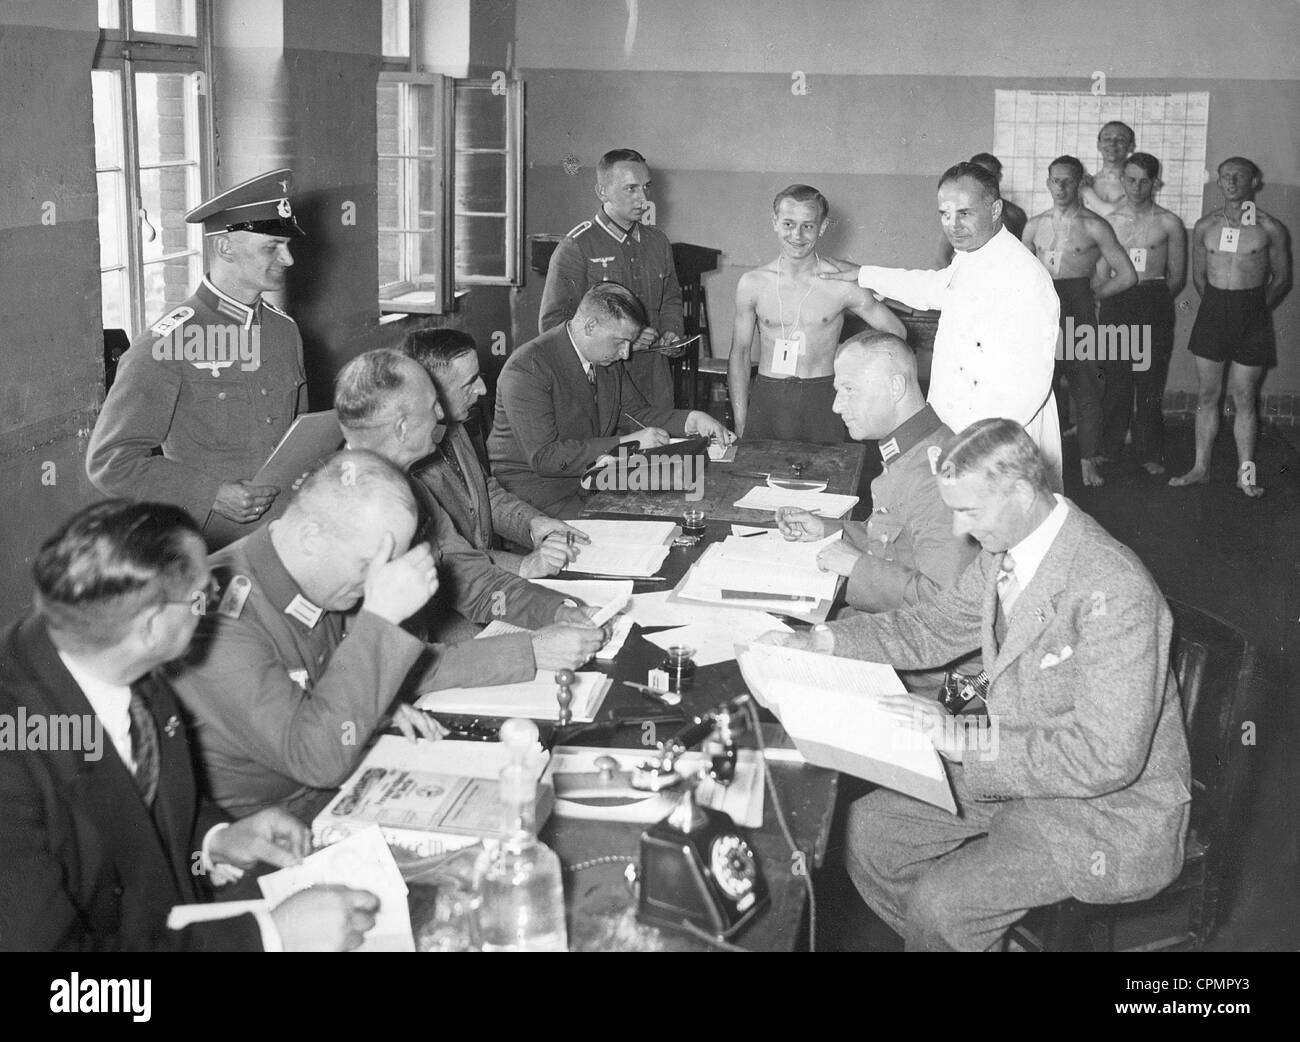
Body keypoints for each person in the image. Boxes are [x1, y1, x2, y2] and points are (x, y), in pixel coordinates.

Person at [759, 419, 1190, 951]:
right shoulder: (1006, 552)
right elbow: (935, 626)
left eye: (970, 511)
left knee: (942, 907)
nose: (959, 530)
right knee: (870, 836)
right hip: (1020, 768)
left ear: (1022, 493)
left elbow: (1108, 758)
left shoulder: (1114, 589)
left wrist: (964, 740)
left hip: (1103, 810)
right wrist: (823, 641)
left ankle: (946, 934)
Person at [0, 500, 379, 951]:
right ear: (152, 626)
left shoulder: (122, 660)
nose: (215, 598)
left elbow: (131, 811)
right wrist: (268, 938)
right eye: (203, 594)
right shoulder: (13, 758)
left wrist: (214, 840)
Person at [169, 450, 538, 819]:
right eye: (368, 564)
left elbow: (360, 673)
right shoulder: (216, 617)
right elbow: (315, 760)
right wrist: (381, 618)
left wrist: (375, 707)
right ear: (311, 537)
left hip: (345, 782)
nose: (376, 581)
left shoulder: (324, 574)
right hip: (269, 821)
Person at [87, 169, 308, 549]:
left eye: (287, 245)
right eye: (272, 247)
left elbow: (298, 437)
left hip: (288, 530)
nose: (287, 259)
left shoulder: (283, 331)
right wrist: (212, 493)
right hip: (211, 543)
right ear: (225, 248)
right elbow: (110, 460)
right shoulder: (167, 343)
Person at [335, 349, 606, 654]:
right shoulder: (342, 509)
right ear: (402, 428)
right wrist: (528, 651)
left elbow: (474, 579)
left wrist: (557, 611)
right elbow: (384, 660)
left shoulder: (409, 487)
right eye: (433, 406)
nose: (441, 414)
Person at [821, 162, 1064, 491]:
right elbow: (935, 288)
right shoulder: (973, 253)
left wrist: (982, 447)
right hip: (958, 428)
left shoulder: (1025, 276)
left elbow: (1030, 385)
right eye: (945, 214)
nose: (953, 225)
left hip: (999, 440)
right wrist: (863, 274)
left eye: (964, 213)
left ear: (995, 210)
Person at [773, 331, 978, 691]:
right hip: (899, 632)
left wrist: (856, 567)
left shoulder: (934, 476)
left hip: (929, 671)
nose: (836, 406)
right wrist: (830, 530)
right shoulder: (912, 451)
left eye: (849, 390)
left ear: (895, 387)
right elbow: (898, 542)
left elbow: (947, 609)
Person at [491, 283, 734, 519]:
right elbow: (545, 458)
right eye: (620, 342)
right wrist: (628, 442)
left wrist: (691, 420)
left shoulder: (603, 358)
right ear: (590, 326)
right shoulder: (528, 367)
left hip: (592, 479)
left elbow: (635, 413)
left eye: (630, 342)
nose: (626, 353)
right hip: (537, 497)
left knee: (685, 507)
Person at [403, 328, 590, 576]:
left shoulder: (454, 428)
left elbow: (483, 494)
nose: (482, 389)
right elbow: (446, 556)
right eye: (469, 382)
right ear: (431, 392)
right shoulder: (407, 465)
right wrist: (523, 565)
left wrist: (532, 523)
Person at [728, 185, 907, 443]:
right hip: (768, 397)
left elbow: (896, 331)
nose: (797, 235)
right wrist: (740, 419)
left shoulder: (840, 283)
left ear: (822, 227)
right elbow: (740, 353)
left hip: (822, 398)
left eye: (808, 226)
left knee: (828, 469)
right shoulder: (752, 283)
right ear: (775, 222)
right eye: (788, 224)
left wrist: (853, 364)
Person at [1169, 157, 1292, 497]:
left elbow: (1282, 278)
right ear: (1219, 182)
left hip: (1252, 314)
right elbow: (1199, 277)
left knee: (1245, 397)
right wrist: (1219, 307)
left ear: (1255, 182)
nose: (1232, 181)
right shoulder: (1205, 226)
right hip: (1213, 313)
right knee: (1207, 395)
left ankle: (1245, 475)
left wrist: (1253, 309)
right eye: (1226, 176)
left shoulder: (1270, 228)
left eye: (1240, 176)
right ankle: (1200, 468)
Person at [539, 148, 685, 409]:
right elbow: (554, 324)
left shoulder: (658, 243)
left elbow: (670, 299)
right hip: (602, 384)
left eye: (646, 187)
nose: (643, 198)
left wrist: (671, 334)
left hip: (654, 382)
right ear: (602, 192)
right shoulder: (577, 246)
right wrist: (624, 340)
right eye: (631, 189)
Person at [1023, 155, 1137, 487]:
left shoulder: (1094, 225)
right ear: (1047, 183)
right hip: (1043, 316)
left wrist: (1093, 295)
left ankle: (1088, 463)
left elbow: (1127, 274)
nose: (1061, 187)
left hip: (1078, 311)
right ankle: (1036, 467)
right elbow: (1019, 275)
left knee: (1086, 391)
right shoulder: (1034, 225)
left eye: (1068, 181)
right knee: (1039, 391)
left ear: (1079, 183)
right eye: (1055, 180)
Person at [1098, 153, 1188, 474]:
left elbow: (1177, 277)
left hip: (1153, 300)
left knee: (1150, 381)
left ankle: (1150, 451)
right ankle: (1109, 447)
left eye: (1144, 181)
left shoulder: (1168, 222)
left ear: (1156, 183)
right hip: (1116, 302)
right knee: (1116, 379)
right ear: (1123, 180)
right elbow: (1101, 272)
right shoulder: (1108, 222)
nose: (1137, 187)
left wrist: (1152, 300)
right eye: (1131, 180)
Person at [938, 153, 1027, 264]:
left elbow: (1021, 256)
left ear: (998, 177)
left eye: (986, 175)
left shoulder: (1015, 214)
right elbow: (941, 258)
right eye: (976, 176)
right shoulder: (956, 219)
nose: (980, 181)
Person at [1081, 121, 1136, 216]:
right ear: (1098, 145)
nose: (1112, 143)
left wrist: (1084, 190)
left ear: (1131, 146)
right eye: (1107, 139)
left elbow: (1111, 214)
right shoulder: (1088, 181)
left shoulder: (1136, 185)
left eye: (1120, 139)